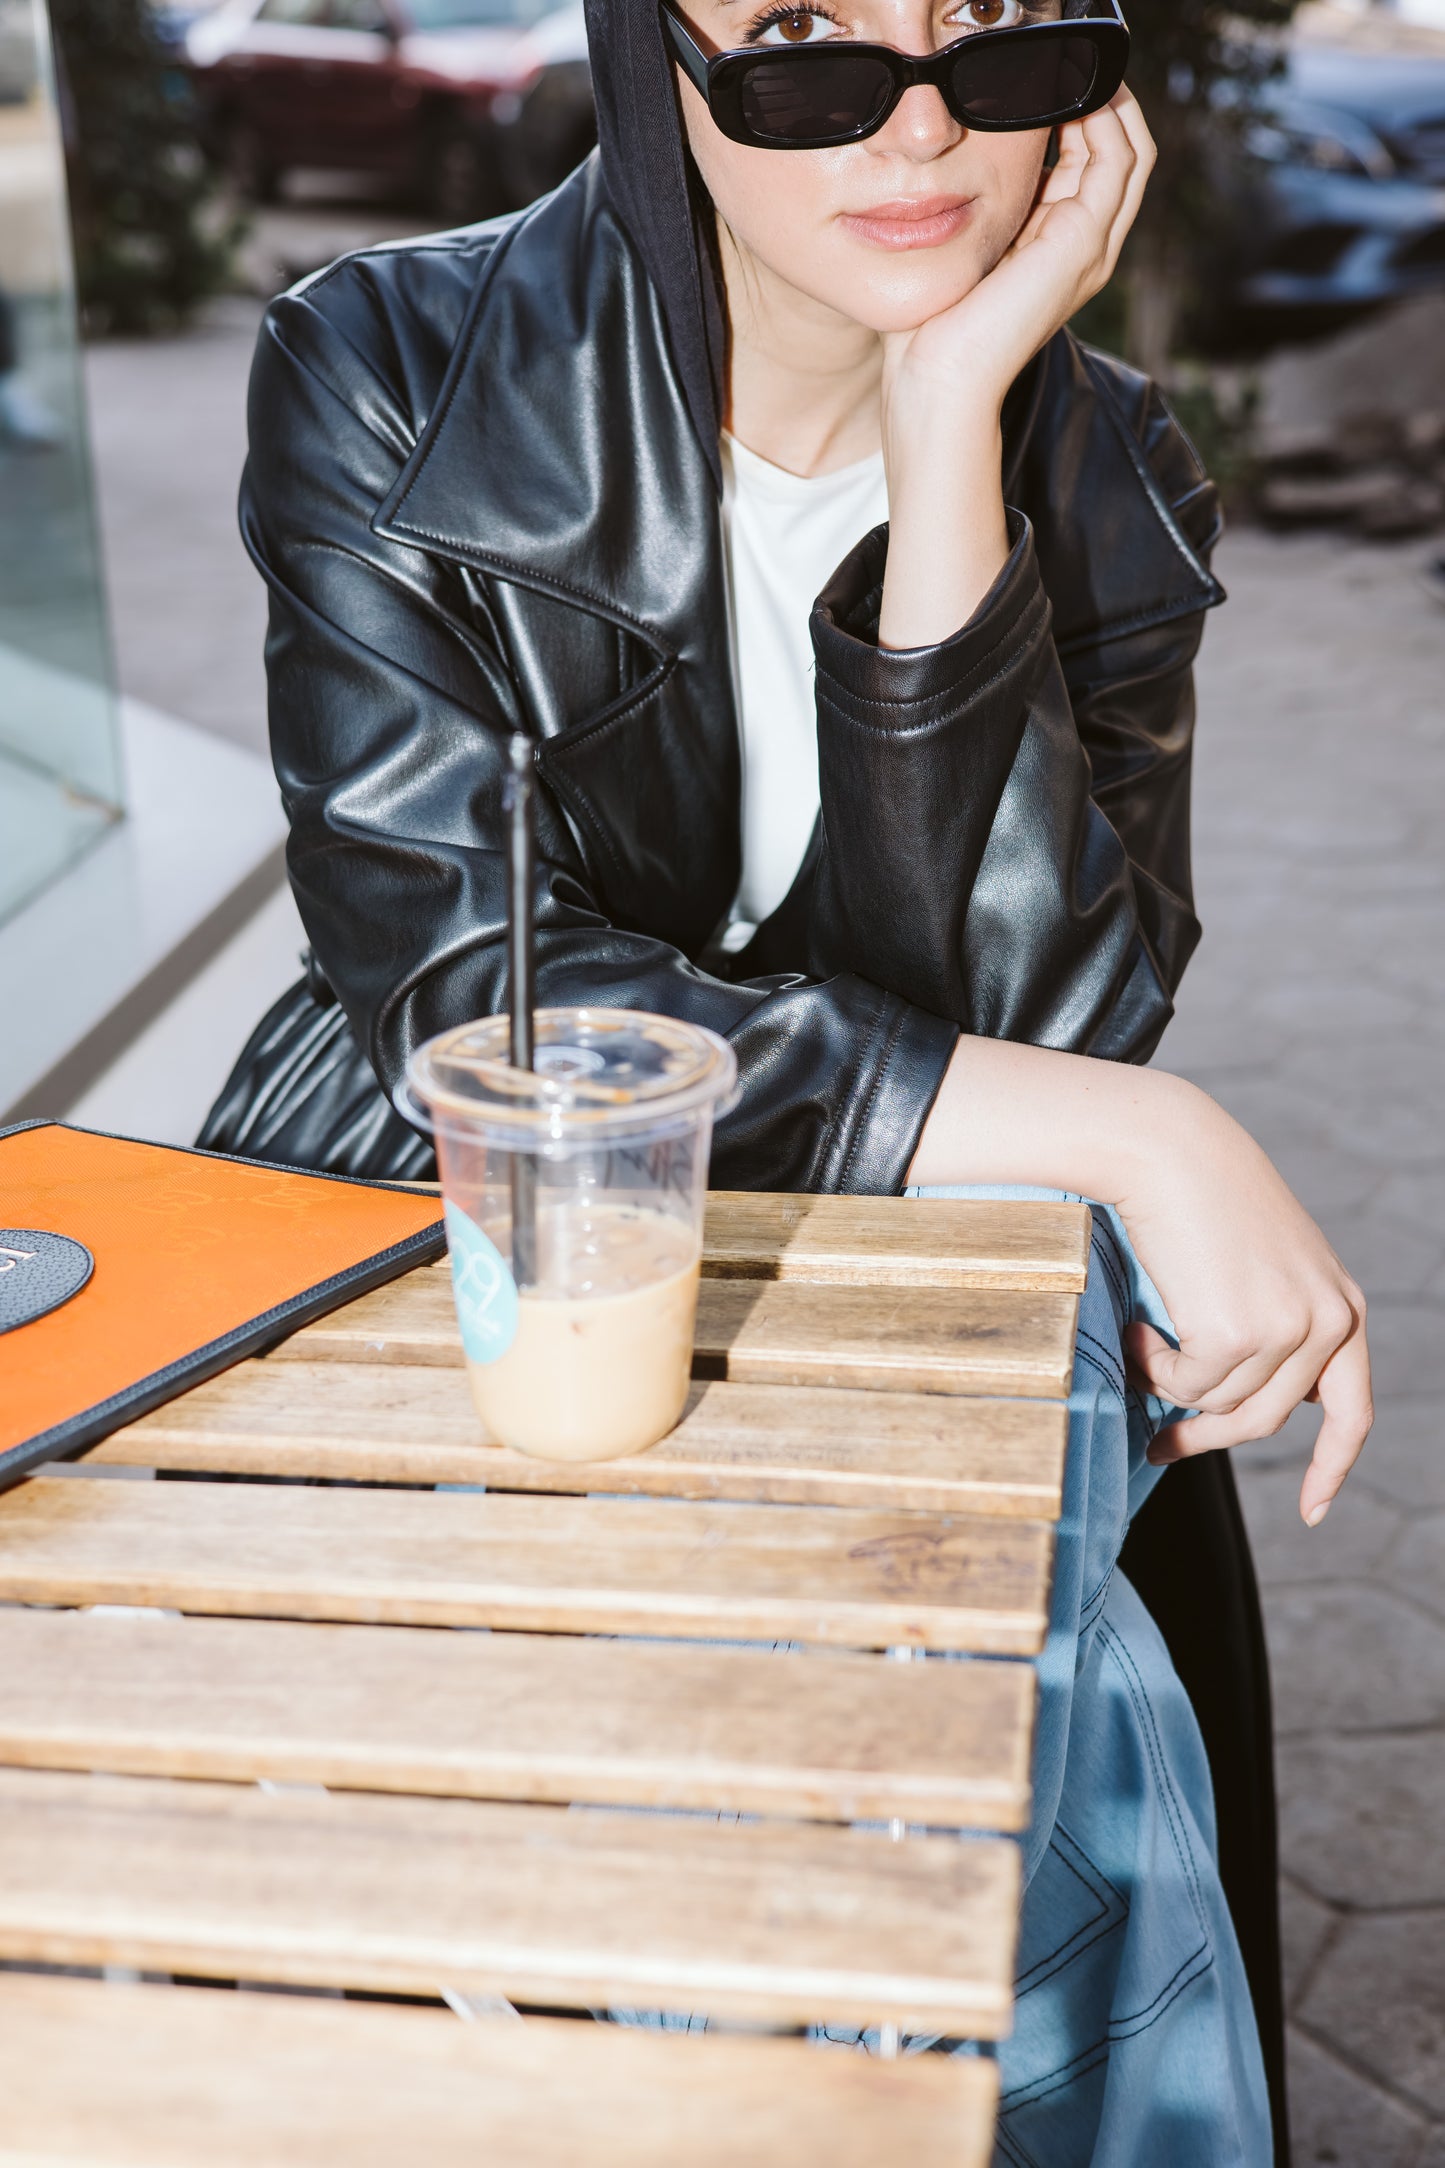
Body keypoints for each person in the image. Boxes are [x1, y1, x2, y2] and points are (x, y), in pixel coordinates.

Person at [201, 0, 1372, 2155]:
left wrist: (949, 458)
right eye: (813, 50)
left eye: (994, 40)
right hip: (445, 1223)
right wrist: (1145, 1134)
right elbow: (466, 995)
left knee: (1023, 1693)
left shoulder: (1106, 466)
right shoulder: (389, 369)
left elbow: (1048, 1015)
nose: (919, 125)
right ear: (659, 59)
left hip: (903, 1278)